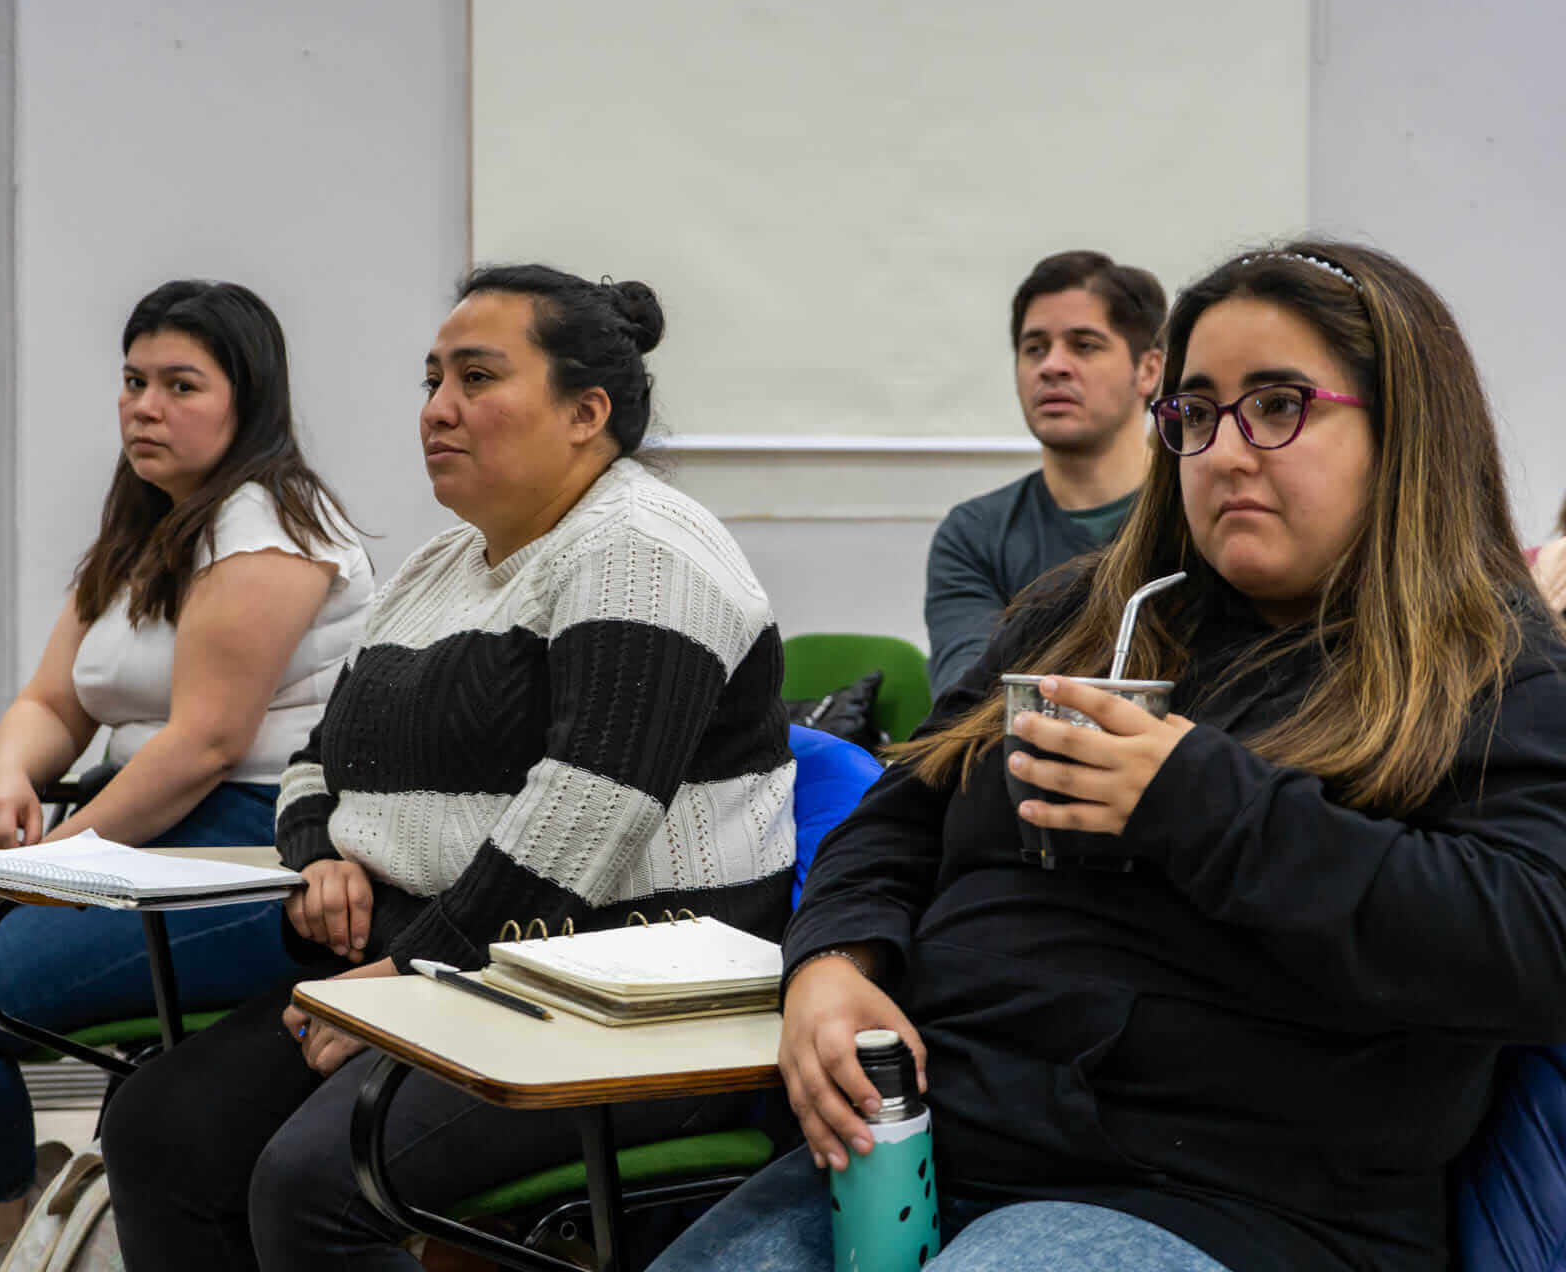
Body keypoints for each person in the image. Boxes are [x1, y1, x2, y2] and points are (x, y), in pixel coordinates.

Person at [648, 241, 1566, 1271]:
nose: (1225, 451)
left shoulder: (1492, 673)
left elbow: (1530, 942)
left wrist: (1204, 800)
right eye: (1195, 412)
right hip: (918, 1142)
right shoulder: (1083, 614)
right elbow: (901, 812)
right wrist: (833, 960)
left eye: (1276, 406)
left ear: (1404, 432)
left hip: (1226, 1199)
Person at [100, 264, 799, 1271]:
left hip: (627, 994)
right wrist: (318, 851)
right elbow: (315, 758)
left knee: (316, 1184)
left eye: (476, 377)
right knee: (161, 1124)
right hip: (462, 963)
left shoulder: (647, 550)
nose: (438, 409)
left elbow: (577, 827)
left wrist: (411, 979)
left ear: (586, 411)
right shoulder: (441, 565)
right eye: (431, 379)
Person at [0, 279, 373, 1267]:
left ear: (247, 400)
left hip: (245, 844)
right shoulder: (141, 527)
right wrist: (5, 774)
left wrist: (31, 869)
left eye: (179, 385)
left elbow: (203, 743)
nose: (144, 406)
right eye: (132, 380)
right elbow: (53, 702)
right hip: (141, 825)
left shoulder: (270, 527)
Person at [926, 250, 1165, 701]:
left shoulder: (1195, 517)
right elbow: (963, 703)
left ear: (1148, 370)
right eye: (1034, 348)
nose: (1052, 365)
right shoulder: (976, 534)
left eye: (1084, 345)